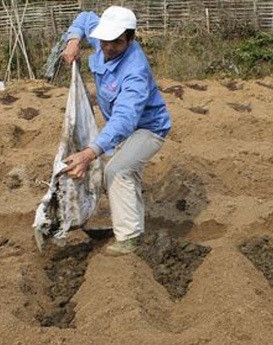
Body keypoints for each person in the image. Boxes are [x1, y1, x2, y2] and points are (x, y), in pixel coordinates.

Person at [60, 6, 171, 256]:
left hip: (147, 128)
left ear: (130, 39)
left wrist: (89, 154)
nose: (108, 47)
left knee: (117, 170)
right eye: (104, 41)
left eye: (117, 42)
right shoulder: (103, 35)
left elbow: (125, 119)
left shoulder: (135, 71)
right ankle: (134, 227)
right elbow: (85, 18)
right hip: (122, 126)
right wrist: (74, 40)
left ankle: (129, 238)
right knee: (126, 173)